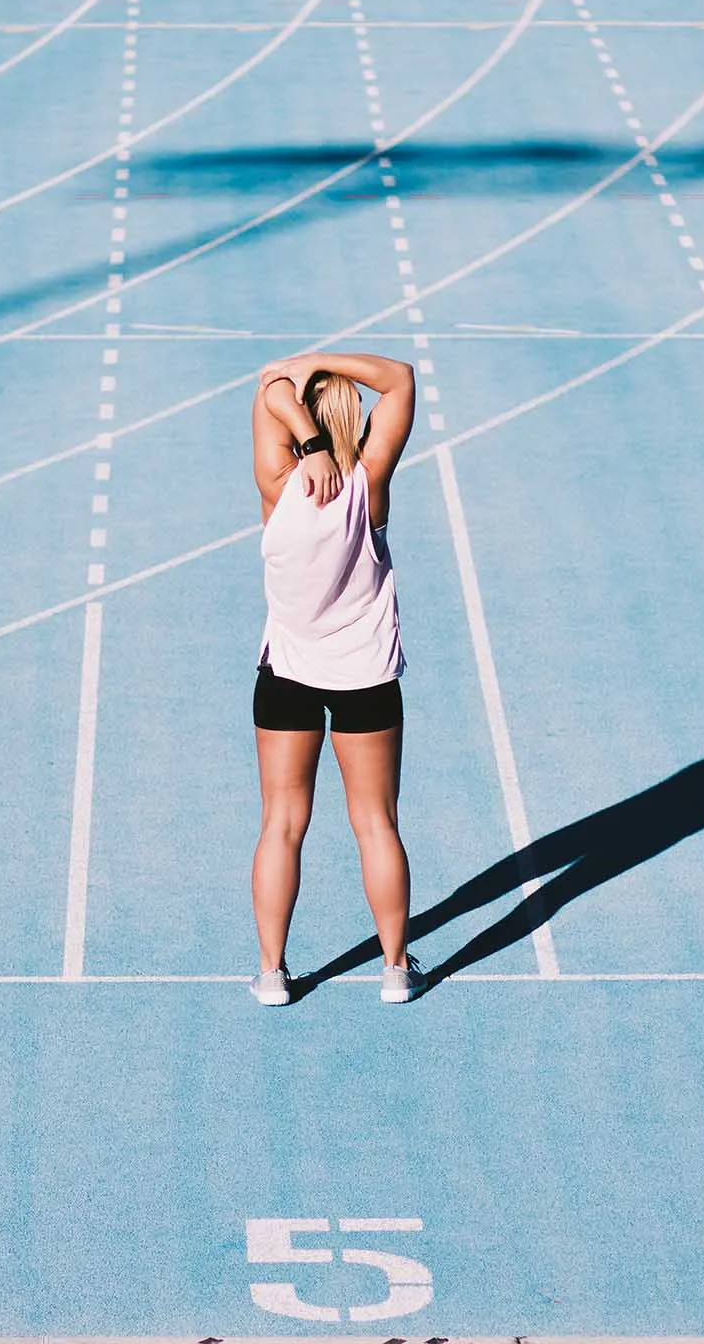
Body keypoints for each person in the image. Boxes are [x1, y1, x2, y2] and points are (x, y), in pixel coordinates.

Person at [247, 352, 419, 1006]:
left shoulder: (277, 483)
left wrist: (307, 438)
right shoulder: (370, 483)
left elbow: (269, 387)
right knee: (376, 823)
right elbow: (400, 378)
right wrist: (322, 360)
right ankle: (395, 969)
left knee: (282, 823)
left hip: (287, 675)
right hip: (366, 679)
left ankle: (272, 973)